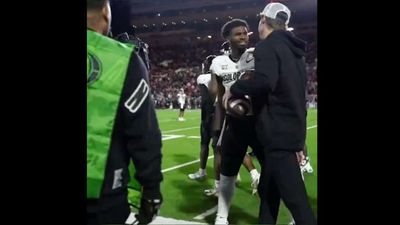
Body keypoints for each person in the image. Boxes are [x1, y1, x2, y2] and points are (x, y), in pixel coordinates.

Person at [230, 2, 317, 225]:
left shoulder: (268, 46)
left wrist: (236, 87)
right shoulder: (295, 52)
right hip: (291, 130)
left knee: (297, 202)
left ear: (264, 22)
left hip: (276, 134)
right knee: (268, 193)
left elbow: (265, 82)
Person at [87, 0, 162, 224]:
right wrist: (151, 188)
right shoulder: (121, 58)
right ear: (105, 12)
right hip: (101, 195)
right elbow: (143, 132)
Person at [210, 19, 263, 224]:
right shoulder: (218, 63)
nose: (243, 36)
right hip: (234, 123)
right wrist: (217, 128)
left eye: (246, 33)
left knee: (275, 168)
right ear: (227, 38)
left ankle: (279, 212)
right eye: (238, 34)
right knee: (227, 173)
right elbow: (217, 98)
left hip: (259, 122)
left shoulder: (256, 56)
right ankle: (221, 216)